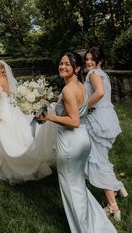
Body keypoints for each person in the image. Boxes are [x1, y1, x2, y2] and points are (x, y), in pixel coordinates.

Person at [39, 52, 117, 233]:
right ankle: (95, 222)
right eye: (61, 63)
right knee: (78, 184)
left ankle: (84, 228)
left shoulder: (68, 90)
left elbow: (73, 121)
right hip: (83, 139)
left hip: (70, 142)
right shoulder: (80, 85)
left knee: (71, 187)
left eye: (67, 64)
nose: (62, 66)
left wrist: (48, 116)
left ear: (77, 68)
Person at [0, 60, 56, 184]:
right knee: (11, 137)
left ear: (2, 70)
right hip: (8, 110)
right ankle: (7, 164)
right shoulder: (5, 80)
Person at [84, 46, 128, 222]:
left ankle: (112, 206)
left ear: (99, 61)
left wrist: (84, 107)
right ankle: (118, 186)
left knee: (98, 161)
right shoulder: (103, 74)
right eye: (86, 59)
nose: (88, 62)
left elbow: (100, 93)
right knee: (101, 157)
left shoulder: (93, 73)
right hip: (107, 118)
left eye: (91, 59)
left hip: (97, 122)